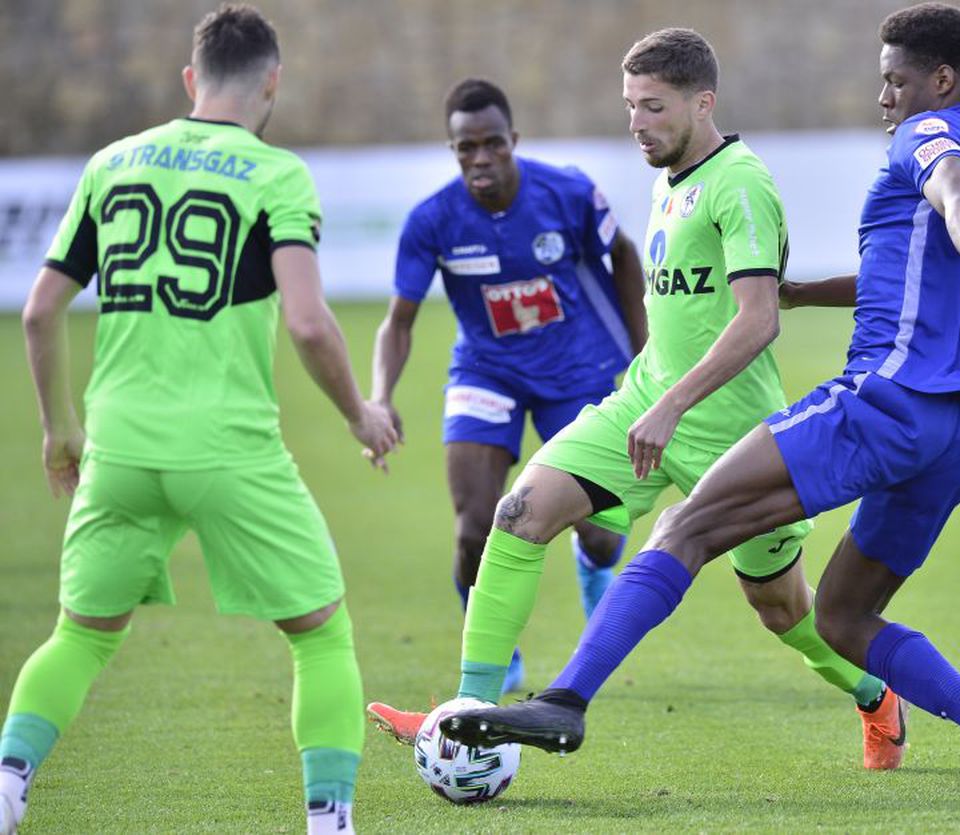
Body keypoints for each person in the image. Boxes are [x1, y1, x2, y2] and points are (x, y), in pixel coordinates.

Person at [441, 4, 960, 786]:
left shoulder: (930, 139)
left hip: (888, 403)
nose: (884, 98)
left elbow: (955, 197)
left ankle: (566, 699)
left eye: (895, 81)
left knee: (685, 528)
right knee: (841, 616)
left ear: (940, 80)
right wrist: (802, 292)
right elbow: (909, 274)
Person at [374, 27, 910, 772]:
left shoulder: (739, 180)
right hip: (642, 405)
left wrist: (674, 404)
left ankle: (874, 694)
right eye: (629, 106)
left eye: (653, 107)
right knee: (519, 513)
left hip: (736, 434)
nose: (636, 123)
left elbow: (759, 319)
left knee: (783, 608)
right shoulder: (667, 177)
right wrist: (651, 394)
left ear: (702, 102)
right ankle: (467, 714)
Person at [0, 6, 397, 834]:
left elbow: (40, 312)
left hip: (117, 446)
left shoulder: (112, 163)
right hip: (227, 448)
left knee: (81, 637)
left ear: (191, 79)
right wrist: (361, 413)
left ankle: (6, 787)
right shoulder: (275, 173)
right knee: (322, 635)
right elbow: (311, 322)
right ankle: (329, 823)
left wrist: (59, 429)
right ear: (272, 83)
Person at [365, 79, 647, 703]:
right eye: (467, 148)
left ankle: (593, 563)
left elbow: (623, 255)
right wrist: (380, 396)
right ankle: (497, 652)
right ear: (453, 149)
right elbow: (399, 321)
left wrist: (644, 355)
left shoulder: (567, 193)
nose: (481, 158)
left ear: (513, 140)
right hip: (485, 372)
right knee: (473, 528)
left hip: (574, 372)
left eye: (493, 143)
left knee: (599, 531)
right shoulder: (433, 221)